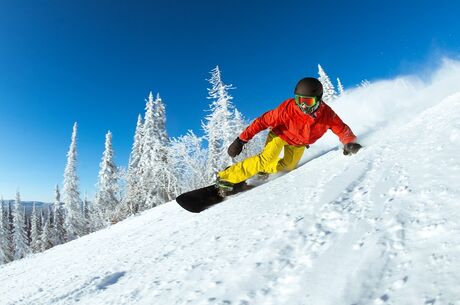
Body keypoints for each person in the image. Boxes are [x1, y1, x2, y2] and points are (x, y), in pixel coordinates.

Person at [215, 77, 362, 196]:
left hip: (298, 143)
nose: (302, 106)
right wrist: (241, 140)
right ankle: (226, 176)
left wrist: (349, 142)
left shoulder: (327, 114)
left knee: (288, 166)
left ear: (318, 99)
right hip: (280, 135)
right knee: (266, 158)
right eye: (299, 100)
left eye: (307, 101)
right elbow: (262, 121)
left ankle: (263, 171)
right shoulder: (287, 109)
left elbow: (341, 129)